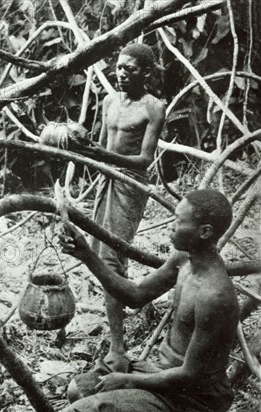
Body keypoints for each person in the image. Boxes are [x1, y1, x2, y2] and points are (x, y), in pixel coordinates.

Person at [48, 190, 239, 412]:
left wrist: (129, 380)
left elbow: (191, 374)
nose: (170, 226)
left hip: (190, 401)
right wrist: (86, 254)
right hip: (164, 376)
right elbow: (134, 295)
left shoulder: (215, 296)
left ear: (205, 231)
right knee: (77, 390)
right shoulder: (184, 260)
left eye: (178, 221)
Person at [89, 43, 166, 373]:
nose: (120, 73)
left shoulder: (154, 108)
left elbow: (144, 159)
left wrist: (103, 157)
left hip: (130, 185)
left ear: (145, 73)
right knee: (97, 252)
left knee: (112, 258)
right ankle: (118, 322)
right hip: (106, 181)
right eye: (118, 67)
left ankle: (118, 348)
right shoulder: (109, 101)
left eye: (129, 69)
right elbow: (100, 147)